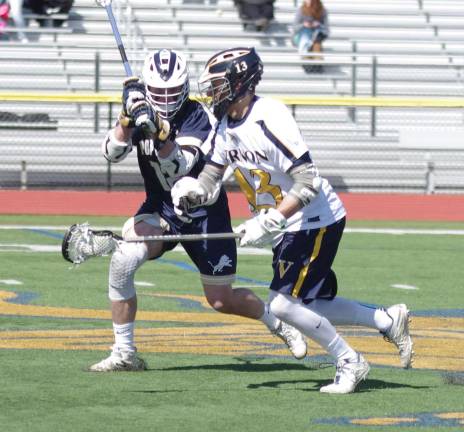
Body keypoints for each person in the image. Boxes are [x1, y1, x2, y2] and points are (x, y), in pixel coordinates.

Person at [170, 47, 414, 394]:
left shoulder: (269, 116)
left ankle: (349, 360)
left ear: (240, 82)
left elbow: (308, 180)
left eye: (218, 84)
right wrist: (193, 190)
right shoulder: (225, 124)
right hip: (290, 222)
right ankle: (386, 320)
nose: (211, 93)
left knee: (283, 305)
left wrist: (271, 219)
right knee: (309, 305)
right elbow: (212, 175)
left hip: (314, 217)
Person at [62, 48, 307, 372]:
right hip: (161, 208)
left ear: (185, 89)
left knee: (221, 299)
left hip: (203, 213)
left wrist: (157, 130)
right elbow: (111, 152)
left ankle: (276, 322)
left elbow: (180, 163)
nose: (165, 99)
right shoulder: (141, 110)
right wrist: (126, 119)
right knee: (124, 261)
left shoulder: (199, 116)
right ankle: (124, 353)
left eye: (172, 92)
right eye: (158, 93)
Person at [292, 0, 329, 73]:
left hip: (316, 35)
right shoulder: (301, 10)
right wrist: (304, 25)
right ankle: (307, 63)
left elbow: (326, 29)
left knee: (317, 43)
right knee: (306, 40)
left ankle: (317, 63)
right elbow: (295, 27)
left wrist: (318, 24)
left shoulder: (322, 10)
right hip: (302, 35)